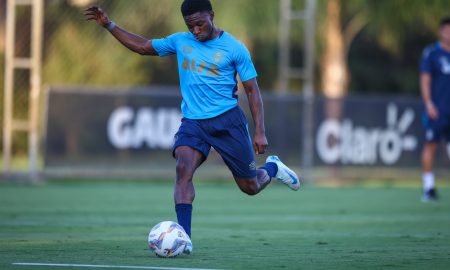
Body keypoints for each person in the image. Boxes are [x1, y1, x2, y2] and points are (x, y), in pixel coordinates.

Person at [85, 0, 300, 253]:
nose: (196, 31)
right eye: (191, 26)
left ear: (212, 15)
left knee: (250, 187)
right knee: (183, 168)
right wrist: (109, 24)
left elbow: (253, 91)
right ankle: (183, 239)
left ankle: (273, 168)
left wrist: (260, 131)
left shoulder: (234, 48)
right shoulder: (180, 41)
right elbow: (143, 47)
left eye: (200, 24)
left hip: (227, 122)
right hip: (193, 122)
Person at [419, 17, 450, 202]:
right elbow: (425, 79)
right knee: (431, 145)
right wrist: (428, 103)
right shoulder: (432, 53)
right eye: (446, 30)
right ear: (441, 32)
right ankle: (428, 187)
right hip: (437, 110)